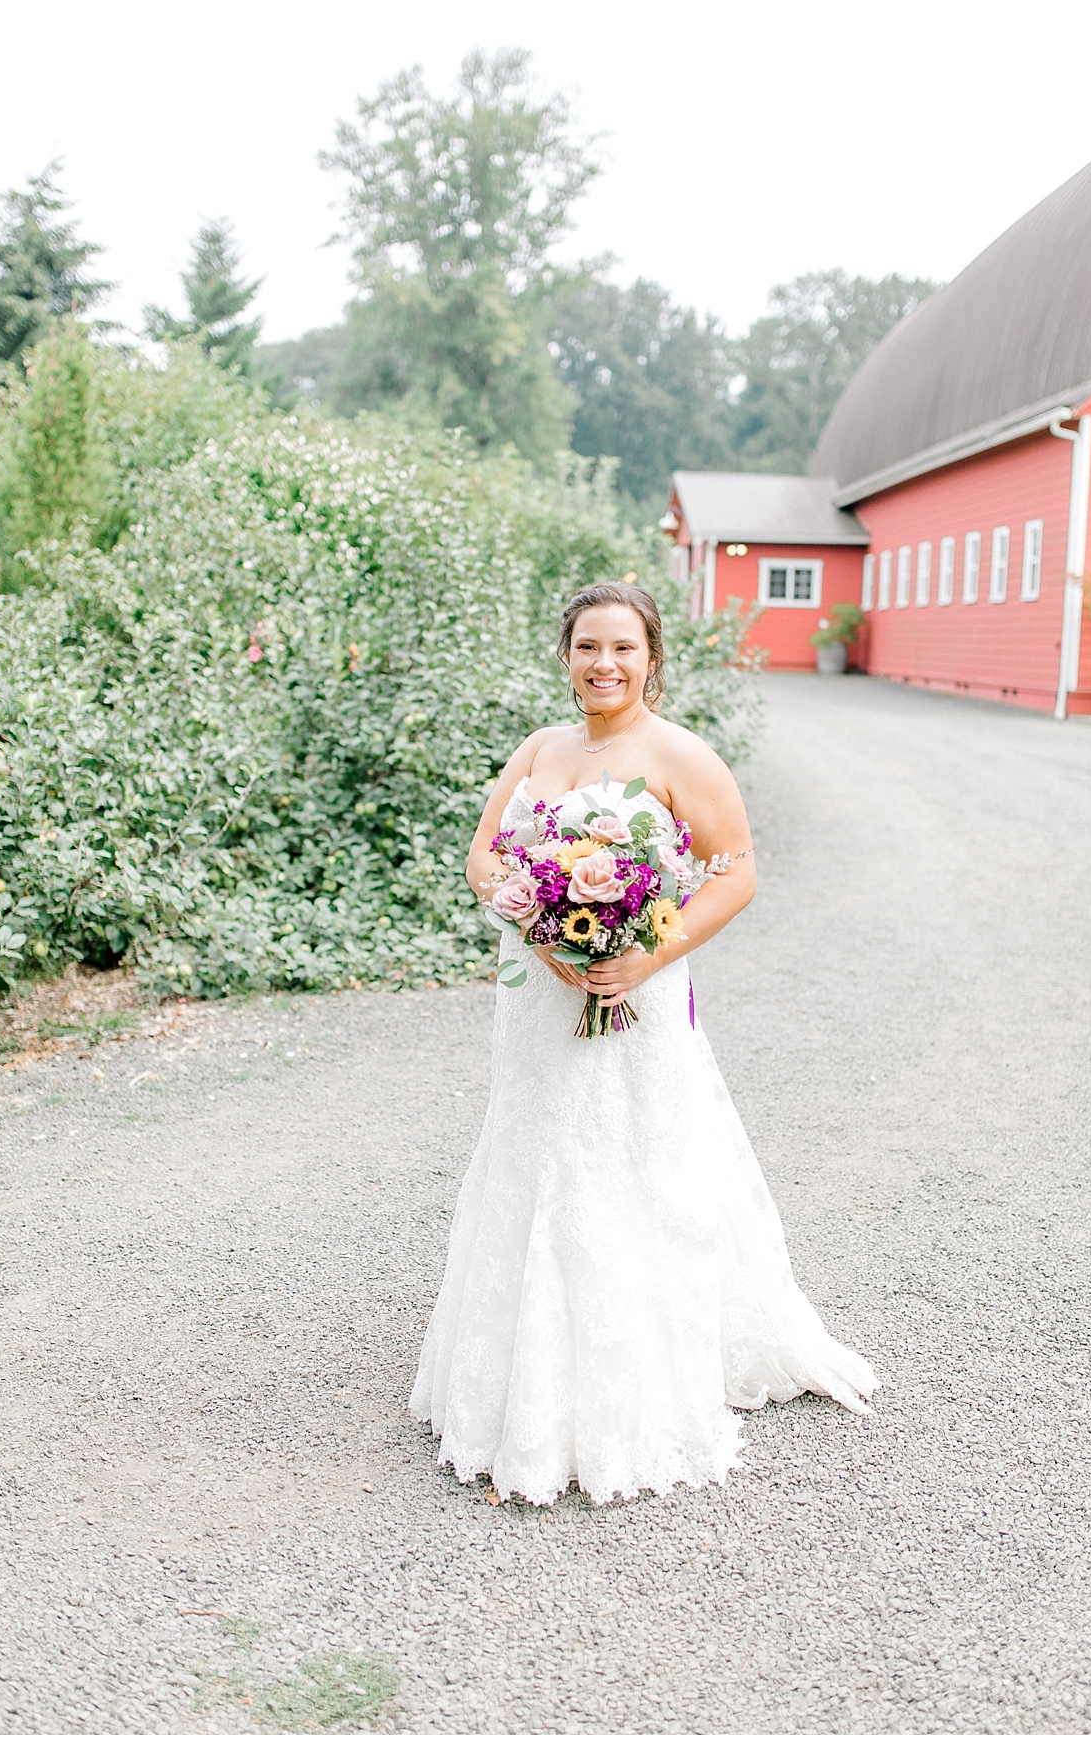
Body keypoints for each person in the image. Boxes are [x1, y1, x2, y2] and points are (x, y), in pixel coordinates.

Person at [410, 582, 877, 1505]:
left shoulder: (678, 754)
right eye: (588, 647)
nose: (604, 664)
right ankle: (512, 1381)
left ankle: (627, 1388)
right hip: (539, 998)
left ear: (652, 658)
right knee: (534, 1152)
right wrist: (538, 926)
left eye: (623, 648)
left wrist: (646, 955)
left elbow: (735, 872)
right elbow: (484, 854)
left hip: (636, 995)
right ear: (567, 655)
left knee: (627, 1166)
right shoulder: (541, 749)